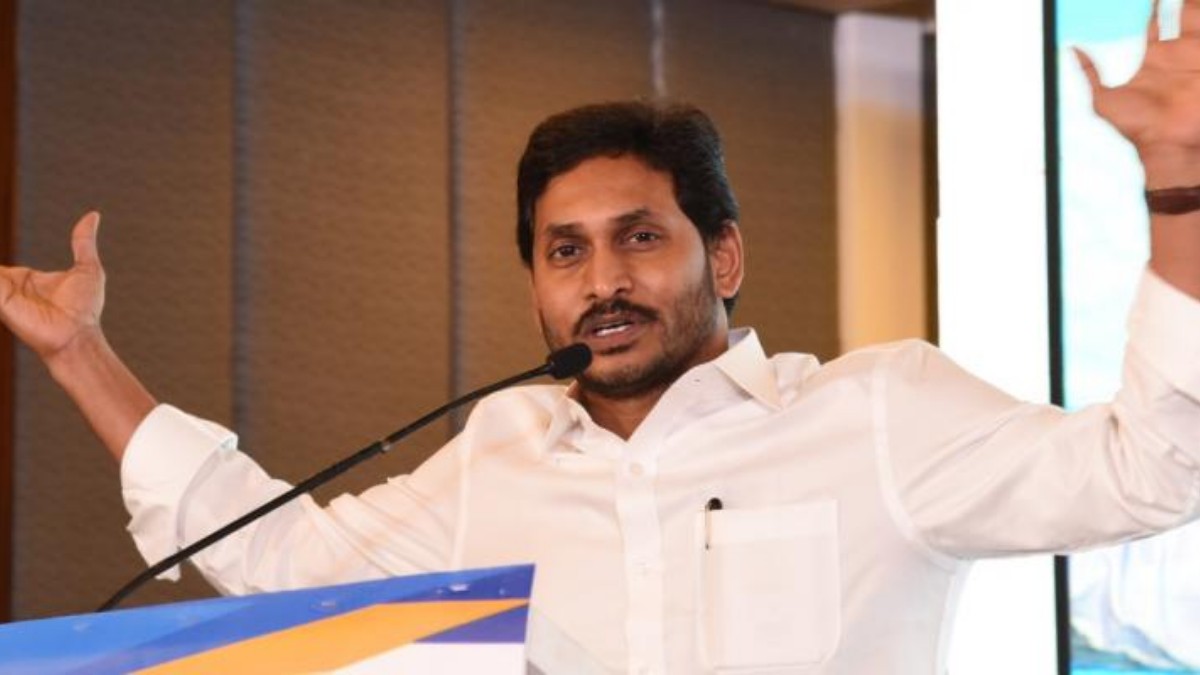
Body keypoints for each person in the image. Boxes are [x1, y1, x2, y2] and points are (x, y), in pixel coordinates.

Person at [4, 5, 1200, 672]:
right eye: (565, 251)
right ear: (535, 284)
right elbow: (281, 561)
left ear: (721, 257)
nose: (604, 281)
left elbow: (1151, 471)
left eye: (639, 238)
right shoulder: (500, 449)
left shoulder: (879, 413)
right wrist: (78, 354)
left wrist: (1180, 190)